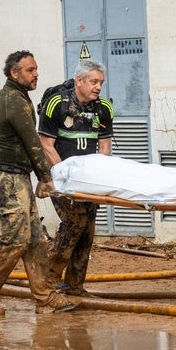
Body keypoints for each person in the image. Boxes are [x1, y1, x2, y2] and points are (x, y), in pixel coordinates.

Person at [0, 50, 78, 316]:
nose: (36, 73)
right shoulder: (12, 100)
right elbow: (32, 143)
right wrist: (46, 178)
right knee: (15, 239)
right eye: (30, 70)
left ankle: (46, 298)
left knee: (35, 241)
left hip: (17, 177)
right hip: (6, 179)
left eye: (36, 68)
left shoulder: (19, 97)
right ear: (15, 73)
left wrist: (39, 177)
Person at [38, 58, 114, 297]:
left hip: (89, 180)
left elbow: (104, 149)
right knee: (75, 223)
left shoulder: (103, 108)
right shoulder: (56, 104)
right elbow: (45, 145)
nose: (98, 87)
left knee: (88, 229)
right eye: (93, 82)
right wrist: (63, 178)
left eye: (101, 82)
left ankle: (74, 287)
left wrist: (100, 182)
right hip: (60, 179)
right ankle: (47, 281)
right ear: (79, 80)